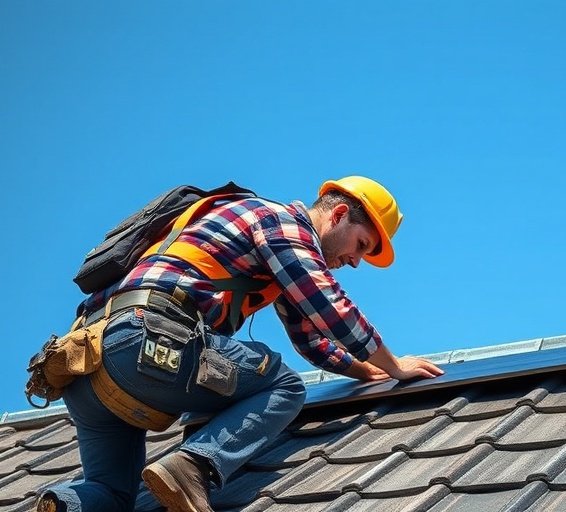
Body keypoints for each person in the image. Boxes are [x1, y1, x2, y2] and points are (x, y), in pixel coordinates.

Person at [35, 176, 443, 512]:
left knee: (111, 494)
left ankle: (62, 505)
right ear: (338, 215)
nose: (355, 262)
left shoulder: (263, 240)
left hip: (85, 362)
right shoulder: (281, 223)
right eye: (361, 246)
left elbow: (310, 338)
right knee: (284, 385)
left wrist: (361, 370)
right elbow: (327, 306)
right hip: (148, 343)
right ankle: (192, 466)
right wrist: (394, 366)